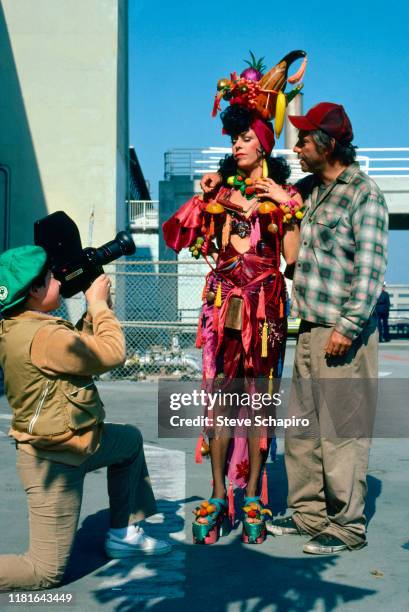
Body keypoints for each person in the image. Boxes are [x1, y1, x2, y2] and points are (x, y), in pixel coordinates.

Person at [163, 50, 307, 545]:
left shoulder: (283, 198)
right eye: (235, 137)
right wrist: (212, 197)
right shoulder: (219, 191)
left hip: (267, 309)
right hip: (224, 305)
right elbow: (185, 236)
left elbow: (292, 260)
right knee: (221, 403)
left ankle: (251, 500)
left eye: (247, 137)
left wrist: (285, 209)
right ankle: (220, 491)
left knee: (261, 404)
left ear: (264, 141)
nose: (238, 144)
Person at [0, 245, 171, 592]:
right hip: (54, 462)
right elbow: (110, 353)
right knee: (43, 572)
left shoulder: (21, 325)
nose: (58, 280)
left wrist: (96, 309)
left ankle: (123, 534)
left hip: (81, 442)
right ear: (32, 291)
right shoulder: (42, 335)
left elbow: (76, 348)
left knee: (129, 442)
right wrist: (97, 304)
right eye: (49, 277)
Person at [264, 102, 388, 554]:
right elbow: (269, 186)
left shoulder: (364, 194)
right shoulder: (310, 191)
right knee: (302, 429)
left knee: (341, 430)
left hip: (342, 333)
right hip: (310, 328)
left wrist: (348, 325)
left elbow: (371, 268)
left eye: (303, 139)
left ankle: (346, 526)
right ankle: (309, 514)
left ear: (328, 144)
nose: (295, 147)